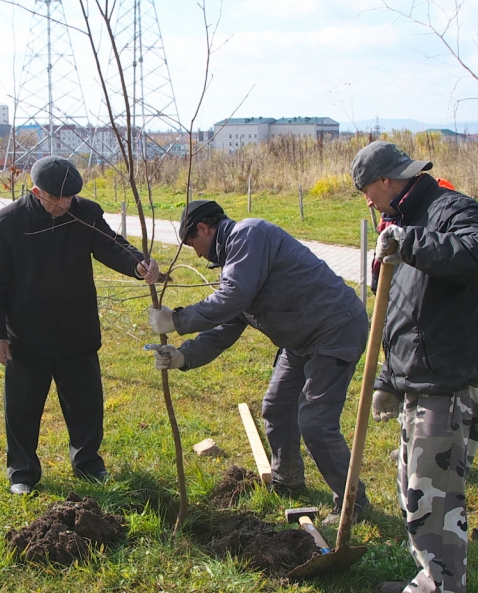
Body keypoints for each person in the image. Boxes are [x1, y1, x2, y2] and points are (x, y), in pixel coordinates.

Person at [352, 141, 478, 593]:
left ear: (387, 182)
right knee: (413, 492)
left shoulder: (448, 208)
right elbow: (398, 315)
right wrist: (387, 380)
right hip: (417, 383)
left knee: (434, 502)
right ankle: (428, 580)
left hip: (446, 385)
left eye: (367, 192)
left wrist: (409, 241)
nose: (369, 202)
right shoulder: (402, 224)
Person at [147, 200, 371, 526]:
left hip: (334, 329)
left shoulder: (249, 235)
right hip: (300, 339)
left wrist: (177, 320)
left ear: (204, 229)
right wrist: (184, 356)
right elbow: (226, 324)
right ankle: (288, 479)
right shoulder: (237, 263)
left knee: (316, 422)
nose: (195, 253)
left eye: (192, 243)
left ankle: (353, 505)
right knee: (277, 407)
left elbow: (232, 298)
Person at [0, 156, 160, 495]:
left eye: (70, 197)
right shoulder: (7, 223)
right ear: (36, 191)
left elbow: (111, 245)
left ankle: (88, 463)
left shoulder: (85, 213)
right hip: (26, 335)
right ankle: (23, 472)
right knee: (22, 409)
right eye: (56, 197)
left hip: (76, 330)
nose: (64, 204)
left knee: (86, 405)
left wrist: (138, 264)